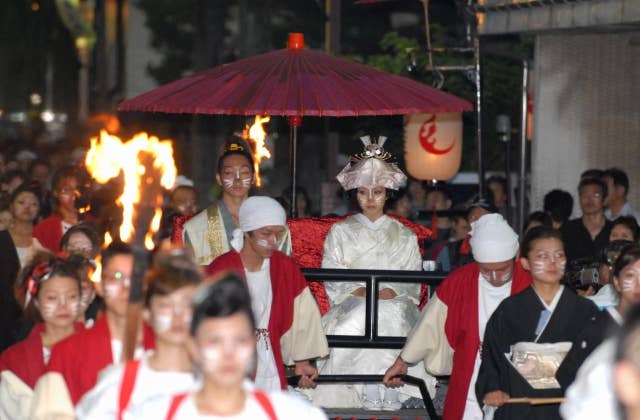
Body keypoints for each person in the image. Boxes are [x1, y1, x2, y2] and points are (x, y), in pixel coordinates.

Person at [312, 135, 435, 410]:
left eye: (377, 192)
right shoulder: (340, 231)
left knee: (388, 315)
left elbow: (411, 277)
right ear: (354, 194)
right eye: (363, 192)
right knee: (359, 318)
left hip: (395, 299)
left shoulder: (404, 234)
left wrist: (394, 291)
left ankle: (392, 386)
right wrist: (362, 290)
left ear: (387, 194)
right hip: (353, 298)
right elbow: (333, 271)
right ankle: (367, 385)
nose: (370, 198)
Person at [383, 213, 531, 419]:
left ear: (515, 257)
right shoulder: (460, 281)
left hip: (521, 375)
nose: (495, 278)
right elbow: (429, 325)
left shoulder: (532, 282)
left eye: (503, 270)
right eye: (487, 271)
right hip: (471, 372)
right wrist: (404, 360)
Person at [131, 273, 328, 419]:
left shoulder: (296, 415)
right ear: (193, 346)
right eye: (215, 341)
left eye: (239, 340)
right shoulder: (152, 414)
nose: (228, 353)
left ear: (253, 344)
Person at [475, 226, 599, 420]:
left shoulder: (585, 310)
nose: (552, 262)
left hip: (568, 409)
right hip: (521, 408)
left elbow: (598, 362)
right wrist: (493, 389)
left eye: (559, 255)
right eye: (543, 256)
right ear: (525, 262)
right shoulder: (509, 311)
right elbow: (492, 363)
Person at [206, 196, 328, 391]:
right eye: (266, 233)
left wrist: (302, 360)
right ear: (247, 232)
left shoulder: (284, 266)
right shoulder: (221, 269)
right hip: (231, 360)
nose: (273, 241)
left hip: (269, 355)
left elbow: (302, 315)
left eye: (278, 234)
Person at [76, 250, 201, 419]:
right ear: (147, 312)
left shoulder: (221, 382)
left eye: (188, 305)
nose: (177, 316)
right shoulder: (118, 383)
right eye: (166, 305)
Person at [41, 243, 156, 405]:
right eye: (116, 277)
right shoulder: (67, 353)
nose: (127, 287)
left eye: (136, 278)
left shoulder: (163, 347)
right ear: (100, 286)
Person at [0, 255, 86, 418]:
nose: (63, 305)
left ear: (81, 299)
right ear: (37, 303)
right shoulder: (12, 359)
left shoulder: (100, 346)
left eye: (72, 297)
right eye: (52, 298)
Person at [561, 244, 640, 420]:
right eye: (630, 276)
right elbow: (567, 375)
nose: (638, 285)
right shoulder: (596, 327)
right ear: (617, 282)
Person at [183, 141, 254, 266]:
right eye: (228, 173)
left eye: (244, 172)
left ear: (253, 178)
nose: (237, 180)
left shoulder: (269, 223)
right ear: (219, 179)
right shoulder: (196, 228)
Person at [34, 166, 88, 253]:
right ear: (56, 193)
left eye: (78, 189)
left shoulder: (92, 222)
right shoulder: (44, 229)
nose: (74, 195)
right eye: (67, 190)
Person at [561, 177, 612, 263]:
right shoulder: (567, 230)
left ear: (605, 200)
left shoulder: (615, 230)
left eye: (595, 195)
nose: (589, 200)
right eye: (584, 195)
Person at [60, 223, 102, 326]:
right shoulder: (53, 278)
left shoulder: (100, 287)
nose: (78, 254)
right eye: (72, 249)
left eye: (85, 250)